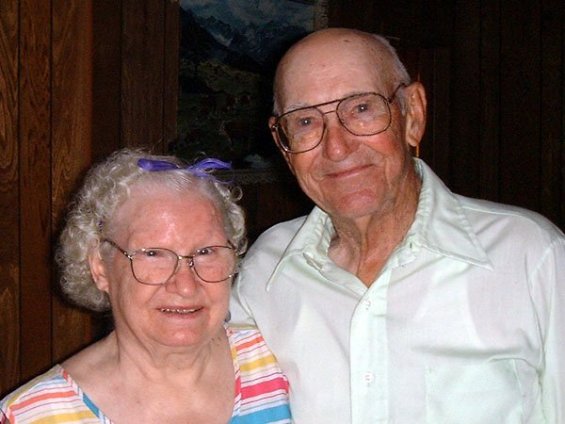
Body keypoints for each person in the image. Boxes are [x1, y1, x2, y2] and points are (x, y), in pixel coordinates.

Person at [230, 27, 565, 423]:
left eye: (361, 108)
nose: (336, 147)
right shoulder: (265, 272)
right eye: (305, 121)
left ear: (413, 114)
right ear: (283, 143)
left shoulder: (532, 256)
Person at [1, 148, 291, 423]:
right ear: (99, 267)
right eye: (152, 254)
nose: (186, 285)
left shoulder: (282, 360)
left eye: (206, 252)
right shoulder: (34, 415)